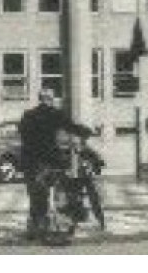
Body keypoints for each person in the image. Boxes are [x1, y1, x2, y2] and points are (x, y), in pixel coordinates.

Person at [16, 88, 95, 238]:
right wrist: (87, 132)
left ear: (40, 99)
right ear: (51, 99)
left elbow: (22, 133)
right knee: (61, 187)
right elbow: (72, 127)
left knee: (35, 194)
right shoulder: (55, 114)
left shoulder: (28, 115)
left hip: (31, 161)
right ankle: (58, 221)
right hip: (48, 159)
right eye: (51, 99)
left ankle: (35, 226)